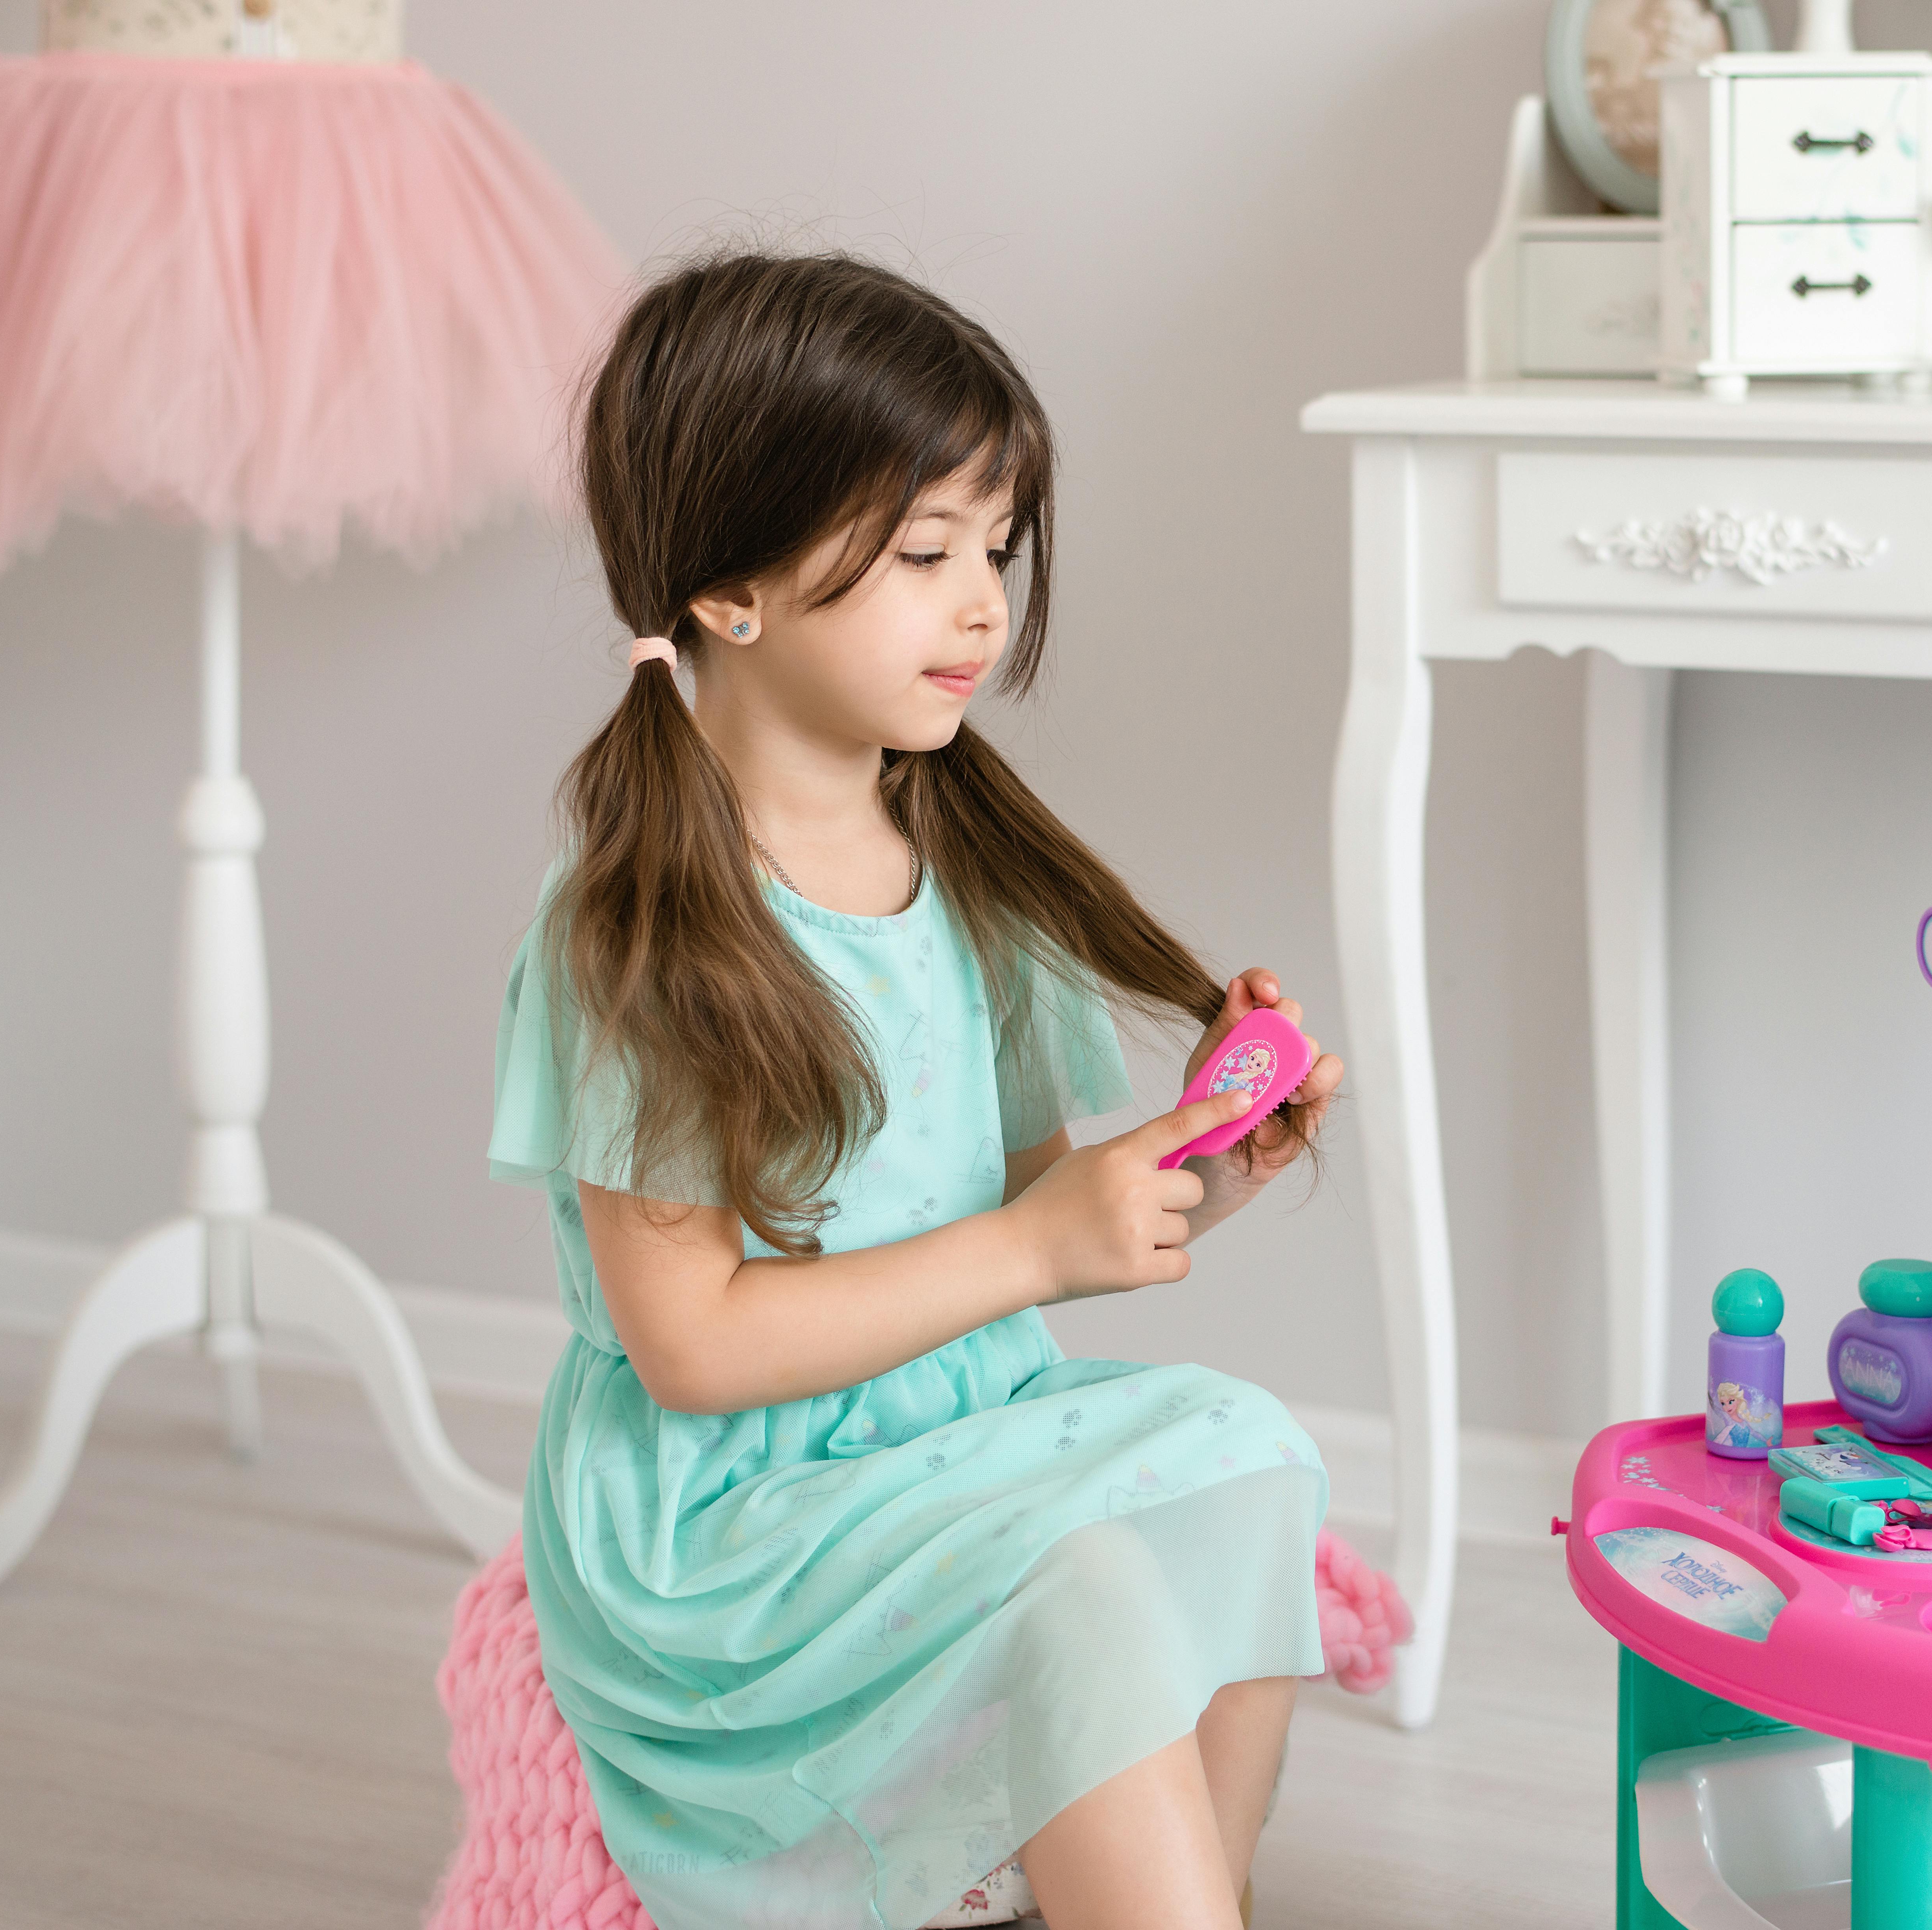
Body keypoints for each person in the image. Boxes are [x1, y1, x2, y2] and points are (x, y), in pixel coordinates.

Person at [487, 250, 1344, 1930]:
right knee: (1088, 1585)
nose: (984, 605)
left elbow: (1013, 1204)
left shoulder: (966, 869)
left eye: (999, 551)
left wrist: (1203, 1166)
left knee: (1248, 1459)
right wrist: (1038, 1250)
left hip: (944, 1436)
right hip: (724, 1533)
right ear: (728, 590)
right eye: (924, 556)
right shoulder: (647, 928)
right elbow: (698, 1343)